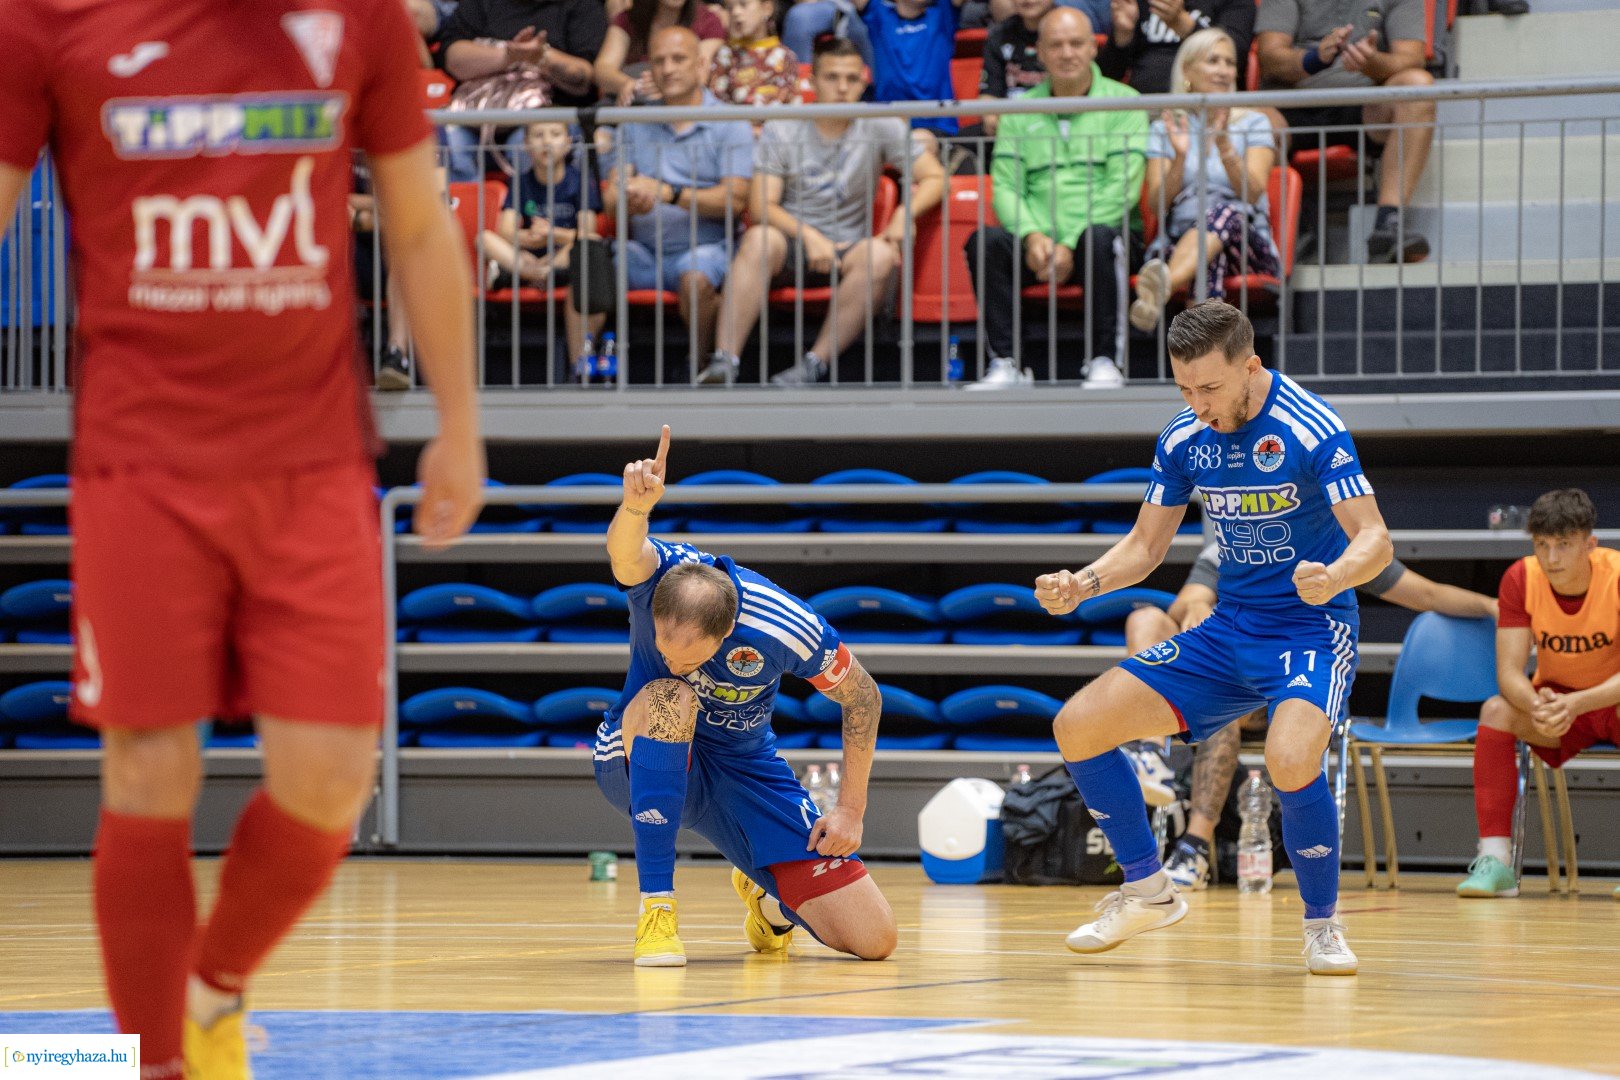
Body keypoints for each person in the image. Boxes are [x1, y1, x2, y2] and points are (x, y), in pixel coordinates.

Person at [0, 1, 487, 1076]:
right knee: (147, 770)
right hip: (141, 460)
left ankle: (209, 989)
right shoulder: (44, 20)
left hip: (312, 461)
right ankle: (163, 1062)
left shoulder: (359, 17)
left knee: (327, 781)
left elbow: (414, 222)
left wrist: (460, 423)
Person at [1034, 299, 1392, 975]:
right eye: (1184, 389)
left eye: (1211, 389)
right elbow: (1144, 548)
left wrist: (1336, 574)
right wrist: (1082, 584)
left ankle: (1322, 925)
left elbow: (1375, 539)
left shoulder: (1310, 426)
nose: (1198, 404)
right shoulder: (1183, 437)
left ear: (1250, 367)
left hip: (1311, 628)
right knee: (1077, 725)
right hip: (1228, 630)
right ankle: (1148, 891)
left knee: (1289, 759)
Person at [600, 426, 898, 965]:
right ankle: (657, 910)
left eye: (690, 658)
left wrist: (851, 809)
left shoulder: (785, 627)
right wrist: (634, 509)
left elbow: (864, 698)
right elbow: (625, 553)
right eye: (664, 647)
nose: (673, 662)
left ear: (727, 633)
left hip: (743, 765)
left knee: (875, 938)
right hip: (635, 749)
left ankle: (771, 906)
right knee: (670, 695)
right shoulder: (660, 577)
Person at [1132, 542, 1498, 889]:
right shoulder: (1237, 538)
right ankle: (1150, 754)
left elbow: (1428, 595)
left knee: (1221, 710)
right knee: (1146, 620)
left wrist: (1495, 606)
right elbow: (1186, 602)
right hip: (1231, 671)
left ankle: (1193, 848)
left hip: (1291, 687)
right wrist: (1195, 606)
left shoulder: (1339, 550)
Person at [702, 37, 947, 386]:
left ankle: (814, 365)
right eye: (832, 78)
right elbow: (761, 207)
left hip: (849, 247)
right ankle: (724, 361)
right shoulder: (782, 126)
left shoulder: (881, 124)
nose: (842, 88)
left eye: (851, 79)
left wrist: (903, 216)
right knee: (758, 238)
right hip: (790, 243)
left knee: (880, 255)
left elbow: (936, 177)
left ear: (864, 82)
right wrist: (810, 237)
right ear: (812, 82)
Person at [963, 7, 1147, 390]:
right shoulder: (1017, 110)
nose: (1067, 53)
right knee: (986, 242)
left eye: (1076, 43)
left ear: (1093, 48)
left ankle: (1104, 361)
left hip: (1098, 239)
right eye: (1056, 45)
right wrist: (1033, 236)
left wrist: (1068, 241)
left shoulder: (1124, 102)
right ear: (1040, 53)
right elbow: (1007, 186)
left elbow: (1122, 189)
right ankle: (1006, 363)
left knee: (1100, 238)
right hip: (1039, 244)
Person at [1458, 488, 1620, 901]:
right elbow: (1509, 672)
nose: (1551, 558)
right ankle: (1495, 862)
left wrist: (1577, 704)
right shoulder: (1520, 578)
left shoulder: (1616, 575)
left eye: (1564, 545)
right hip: (1556, 705)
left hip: (1607, 700)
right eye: (1542, 545)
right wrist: (1538, 706)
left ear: (1590, 544)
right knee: (1496, 710)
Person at [606, 27, 755, 364]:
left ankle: (700, 363)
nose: (668, 68)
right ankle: (582, 371)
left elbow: (735, 200)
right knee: (588, 265)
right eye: (659, 61)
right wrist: (626, 199)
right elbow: (611, 201)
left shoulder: (730, 123)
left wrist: (669, 195)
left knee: (695, 277)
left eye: (678, 59)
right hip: (643, 251)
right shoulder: (632, 123)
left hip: (707, 248)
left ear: (701, 66)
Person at [1255, 0, 1434, 263]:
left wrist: (1372, 63)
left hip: (1364, 101)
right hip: (1292, 102)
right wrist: (1314, 59)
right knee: (1254, 121)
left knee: (1419, 86)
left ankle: (1389, 223)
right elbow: (1270, 58)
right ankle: (1274, 230)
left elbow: (1412, 58)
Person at [1130, 29, 1278, 331]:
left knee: (1224, 214)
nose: (1224, 70)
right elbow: (1158, 204)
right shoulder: (1166, 127)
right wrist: (1180, 157)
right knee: (1209, 259)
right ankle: (1209, 368)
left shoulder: (1254, 122)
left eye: (1229, 62)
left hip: (1246, 241)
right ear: (1187, 71)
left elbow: (1252, 194)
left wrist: (1225, 147)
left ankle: (1164, 287)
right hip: (1177, 240)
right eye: (1213, 61)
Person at [479, 121, 605, 371]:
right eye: (538, 135)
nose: (547, 141)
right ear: (526, 144)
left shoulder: (580, 181)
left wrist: (552, 234)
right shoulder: (521, 182)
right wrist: (526, 238)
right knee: (483, 238)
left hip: (562, 260)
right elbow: (505, 230)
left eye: (555, 134)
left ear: (568, 142)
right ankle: (536, 275)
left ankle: (519, 276)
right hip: (527, 257)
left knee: (590, 243)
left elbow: (588, 230)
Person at [438, 0, 608, 179]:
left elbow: (585, 77)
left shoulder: (581, 5)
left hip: (542, 116)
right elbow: (452, 58)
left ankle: (525, 206)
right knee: (448, 141)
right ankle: (460, 204)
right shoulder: (480, 4)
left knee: (531, 142)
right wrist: (509, 55)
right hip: (474, 114)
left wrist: (540, 57)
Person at [856, 0, 967, 141]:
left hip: (937, 126)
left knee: (919, 143)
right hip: (890, 126)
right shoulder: (879, 15)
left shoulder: (943, 14)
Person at [1098, 0, 1255, 95]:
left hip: (1205, 107)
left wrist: (1182, 23)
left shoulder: (1234, 2)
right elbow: (1108, 75)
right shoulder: (1140, 3)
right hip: (1143, 107)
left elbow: (1236, 56)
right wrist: (1123, 35)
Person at [595, 0, 727, 106]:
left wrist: (665, 83)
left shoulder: (708, 20)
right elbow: (602, 69)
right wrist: (628, 84)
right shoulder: (628, 18)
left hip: (685, 108)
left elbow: (701, 74)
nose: (668, 68)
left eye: (678, 58)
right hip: (636, 105)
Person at [979, 0, 1058, 139]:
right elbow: (989, 93)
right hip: (1009, 125)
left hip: (1057, 121)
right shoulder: (999, 35)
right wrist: (990, 118)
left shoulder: (1068, 30)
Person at [709, 0, 801, 108]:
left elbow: (790, 103)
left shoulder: (785, 56)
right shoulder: (724, 55)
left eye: (743, 4)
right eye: (730, 8)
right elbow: (715, 100)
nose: (735, 12)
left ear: (767, 8)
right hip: (732, 122)